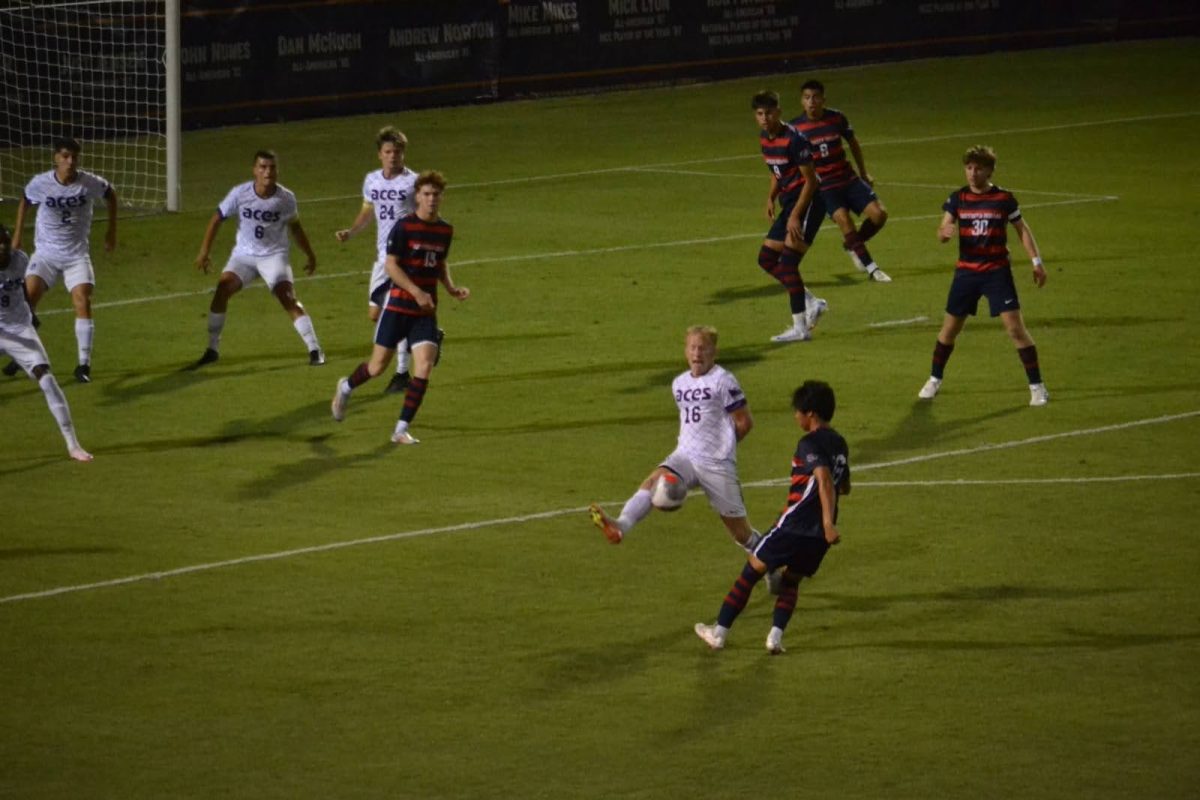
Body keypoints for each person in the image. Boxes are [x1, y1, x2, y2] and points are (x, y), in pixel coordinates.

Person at [695, 380, 849, 654]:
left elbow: (823, 479)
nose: (795, 416)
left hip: (796, 526)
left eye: (798, 411)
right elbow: (843, 486)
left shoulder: (808, 442)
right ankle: (775, 639)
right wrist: (822, 520)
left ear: (810, 414)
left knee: (750, 573)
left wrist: (826, 522)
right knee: (791, 581)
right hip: (817, 537)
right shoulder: (840, 443)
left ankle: (719, 633)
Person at [589, 325, 760, 552]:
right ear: (686, 352)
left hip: (716, 464)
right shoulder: (679, 383)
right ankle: (621, 526)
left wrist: (722, 448)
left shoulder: (723, 380)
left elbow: (744, 422)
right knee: (653, 481)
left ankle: (770, 564)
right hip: (685, 456)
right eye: (693, 348)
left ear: (714, 353)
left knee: (741, 534)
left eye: (703, 348)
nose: (697, 353)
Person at [330, 170, 468, 444]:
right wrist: (416, 291)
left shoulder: (445, 230)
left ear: (442, 197)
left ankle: (400, 429)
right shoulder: (404, 227)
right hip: (397, 307)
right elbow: (391, 266)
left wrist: (451, 288)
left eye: (436, 195)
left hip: (425, 312)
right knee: (377, 367)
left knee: (424, 366)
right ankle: (345, 387)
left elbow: (439, 262)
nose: (431, 200)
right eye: (426, 194)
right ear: (417, 196)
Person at [917, 145, 1049, 406]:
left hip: (996, 272)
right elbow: (944, 225)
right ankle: (934, 379)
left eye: (978, 169)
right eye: (969, 168)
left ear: (989, 170)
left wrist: (1036, 261)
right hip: (966, 273)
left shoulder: (1003, 199)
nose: (972, 173)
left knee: (1015, 329)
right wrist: (943, 232)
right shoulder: (958, 198)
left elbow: (1022, 229)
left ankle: (1037, 386)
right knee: (950, 329)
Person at [192, 149, 324, 367]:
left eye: (272, 167)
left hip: (274, 256)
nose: (267, 172)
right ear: (254, 170)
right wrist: (204, 251)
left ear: (277, 171)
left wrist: (310, 254)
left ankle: (315, 350)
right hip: (244, 256)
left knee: (287, 297)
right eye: (262, 167)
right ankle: (212, 348)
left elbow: (296, 228)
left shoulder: (286, 198)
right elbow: (216, 219)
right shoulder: (240, 193)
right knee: (222, 288)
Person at [2, 137, 117, 383]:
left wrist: (111, 231)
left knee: (82, 300)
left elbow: (111, 195)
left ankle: (83, 365)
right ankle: (21, 355)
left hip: (76, 255)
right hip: (45, 254)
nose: (70, 161)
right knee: (27, 300)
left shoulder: (89, 183)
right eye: (65, 156)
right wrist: (18, 236)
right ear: (56, 158)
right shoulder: (41, 183)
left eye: (74, 157)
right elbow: (25, 201)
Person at [335, 125, 425, 394]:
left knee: (393, 313)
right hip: (382, 258)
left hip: (405, 259)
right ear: (379, 154)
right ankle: (424, 334)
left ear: (403, 153)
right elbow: (367, 211)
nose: (393, 156)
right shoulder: (372, 180)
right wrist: (351, 231)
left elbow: (424, 215)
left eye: (397, 152)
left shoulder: (413, 182)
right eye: (388, 152)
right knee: (375, 314)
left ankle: (401, 373)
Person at [0, 224, 92, 461]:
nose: (2, 248)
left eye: (5, 243)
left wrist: (31, 313)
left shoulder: (20, 259)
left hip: (20, 328)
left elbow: (21, 286)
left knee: (48, 379)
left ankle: (73, 445)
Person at [791, 80, 891, 283]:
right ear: (802, 101)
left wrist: (864, 173)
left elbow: (853, 143)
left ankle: (852, 245)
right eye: (807, 97)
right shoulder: (795, 128)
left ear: (823, 99)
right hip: (825, 187)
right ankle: (873, 270)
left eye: (816, 97)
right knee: (845, 221)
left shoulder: (837, 118)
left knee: (879, 215)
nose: (812, 102)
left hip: (848, 178)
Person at [752, 90, 828, 343]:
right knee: (766, 259)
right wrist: (770, 197)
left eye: (769, 113)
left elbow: (811, 182)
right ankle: (810, 301)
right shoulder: (765, 138)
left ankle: (800, 329)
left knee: (787, 264)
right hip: (790, 203)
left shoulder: (795, 139)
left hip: (810, 203)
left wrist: (795, 216)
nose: (765, 118)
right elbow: (777, 171)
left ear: (779, 112)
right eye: (760, 114)